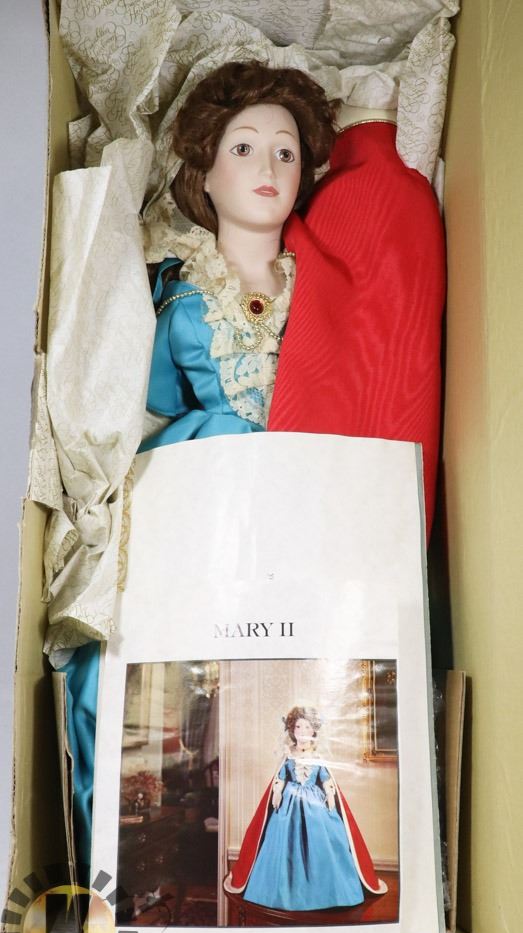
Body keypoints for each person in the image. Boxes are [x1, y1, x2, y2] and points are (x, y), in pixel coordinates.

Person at [62, 59, 444, 868]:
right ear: (204, 168)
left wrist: (370, 131)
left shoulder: (325, 269)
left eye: (285, 152)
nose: (267, 166)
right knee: (138, 649)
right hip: (206, 477)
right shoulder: (176, 283)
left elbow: (390, 290)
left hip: (311, 476)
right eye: (243, 147)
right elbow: (145, 391)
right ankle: (125, 857)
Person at [225, 706, 387, 911]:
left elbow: (325, 778)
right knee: (281, 838)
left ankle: (327, 890)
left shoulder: (317, 757)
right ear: (292, 730)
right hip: (289, 803)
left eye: (307, 727)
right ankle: (282, 890)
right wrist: (277, 792)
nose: (302, 731)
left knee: (323, 839)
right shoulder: (288, 756)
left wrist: (330, 793)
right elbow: (281, 777)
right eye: (298, 727)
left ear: (314, 731)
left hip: (315, 802)